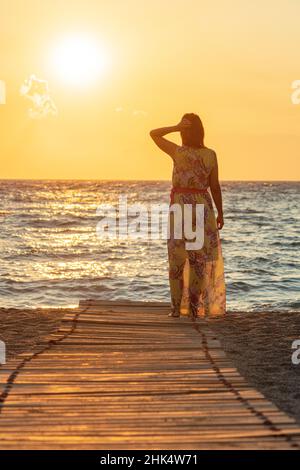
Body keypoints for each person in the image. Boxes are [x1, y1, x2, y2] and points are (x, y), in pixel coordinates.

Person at [149, 113, 226, 318]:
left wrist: (175, 126)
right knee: (197, 260)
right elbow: (215, 187)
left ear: (184, 132)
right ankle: (193, 307)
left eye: (185, 129)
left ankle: (176, 309)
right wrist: (220, 213)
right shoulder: (210, 154)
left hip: (180, 208)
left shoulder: (177, 151)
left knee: (177, 258)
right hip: (202, 208)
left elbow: (154, 134)